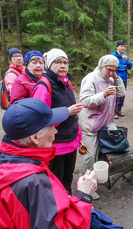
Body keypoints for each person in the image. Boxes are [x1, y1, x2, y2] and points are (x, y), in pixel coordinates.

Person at [0, 98, 97, 229]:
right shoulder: (32, 182)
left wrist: (67, 200)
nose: (56, 131)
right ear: (34, 137)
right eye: (51, 126)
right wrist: (83, 197)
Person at [32, 48, 83, 195]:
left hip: (71, 142)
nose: (63, 66)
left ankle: (68, 204)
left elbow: (74, 115)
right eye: (58, 62)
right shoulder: (44, 86)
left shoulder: (67, 83)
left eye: (65, 62)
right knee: (55, 181)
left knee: (68, 178)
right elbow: (38, 118)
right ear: (49, 64)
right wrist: (66, 112)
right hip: (56, 145)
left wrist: (78, 135)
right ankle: (57, 209)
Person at [79, 54, 126, 199]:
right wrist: (103, 95)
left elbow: (122, 93)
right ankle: (85, 187)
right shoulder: (90, 78)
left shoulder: (111, 79)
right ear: (101, 66)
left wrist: (117, 79)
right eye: (109, 70)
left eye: (115, 70)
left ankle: (98, 179)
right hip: (91, 124)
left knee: (102, 152)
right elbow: (85, 101)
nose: (112, 73)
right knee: (90, 155)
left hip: (105, 124)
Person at [112, 40, 132, 119]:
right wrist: (123, 67)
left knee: (122, 94)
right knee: (115, 95)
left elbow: (130, 67)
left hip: (124, 78)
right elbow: (114, 67)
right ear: (117, 47)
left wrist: (126, 61)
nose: (122, 48)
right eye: (121, 46)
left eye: (123, 46)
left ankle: (119, 109)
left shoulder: (125, 56)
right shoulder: (113, 55)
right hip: (116, 78)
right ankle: (113, 112)